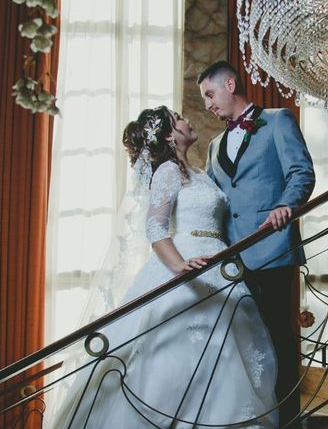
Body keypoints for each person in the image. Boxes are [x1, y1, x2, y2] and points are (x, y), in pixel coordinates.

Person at [49, 106, 278, 428]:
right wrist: (180, 265)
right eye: (179, 118)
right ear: (170, 135)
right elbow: (156, 227)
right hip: (188, 262)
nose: (187, 120)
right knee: (173, 353)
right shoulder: (167, 171)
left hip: (219, 261)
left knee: (227, 354)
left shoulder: (199, 173)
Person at [199, 61, 315, 428]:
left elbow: (301, 171)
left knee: (278, 338)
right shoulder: (215, 145)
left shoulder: (278, 120)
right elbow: (213, 198)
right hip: (231, 264)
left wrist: (286, 204)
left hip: (272, 248)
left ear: (230, 84)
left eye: (209, 95)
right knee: (246, 346)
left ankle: (289, 420)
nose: (207, 105)